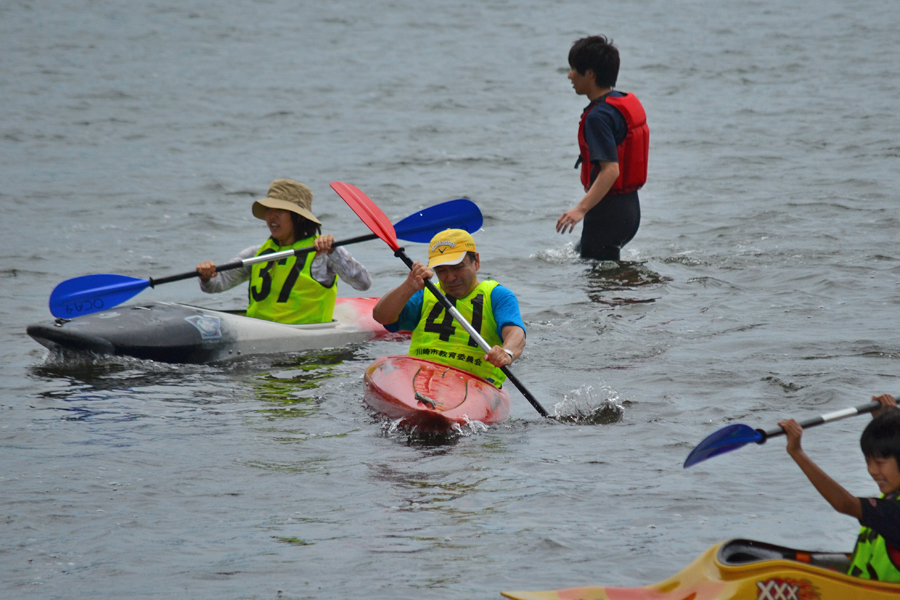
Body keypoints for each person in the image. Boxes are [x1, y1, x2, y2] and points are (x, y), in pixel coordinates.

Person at [196, 179, 371, 324]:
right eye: (269, 210)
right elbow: (216, 285)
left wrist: (334, 251)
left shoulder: (322, 253)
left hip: (307, 342)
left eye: (279, 210)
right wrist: (206, 275)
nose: (272, 216)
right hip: (259, 334)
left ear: (299, 217)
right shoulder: (256, 253)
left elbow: (363, 283)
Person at [372, 229, 525, 388]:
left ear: (476, 261)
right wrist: (409, 285)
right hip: (421, 380)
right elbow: (381, 316)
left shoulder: (498, 296)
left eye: (457, 267)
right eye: (441, 270)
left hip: (476, 386)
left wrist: (506, 353)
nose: (450, 278)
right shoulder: (425, 293)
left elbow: (516, 333)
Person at [779, 394, 900, 582]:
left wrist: (797, 452)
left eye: (879, 462)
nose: (872, 471)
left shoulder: (894, 515)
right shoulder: (894, 492)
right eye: (868, 461)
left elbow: (845, 504)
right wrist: (887, 419)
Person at [556, 35, 649, 261]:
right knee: (595, 269)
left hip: (607, 214)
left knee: (599, 292)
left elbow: (611, 170)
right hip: (629, 211)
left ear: (590, 74)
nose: (569, 75)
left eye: (574, 69)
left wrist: (580, 209)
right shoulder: (618, 103)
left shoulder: (597, 117)